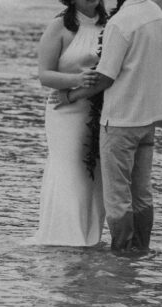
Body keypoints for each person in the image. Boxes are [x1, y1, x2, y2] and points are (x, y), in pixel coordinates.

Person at [53, 0, 162, 252]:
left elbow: (104, 78)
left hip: (120, 119)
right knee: (142, 193)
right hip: (148, 119)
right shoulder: (155, 12)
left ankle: (121, 255)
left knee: (117, 196)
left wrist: (70, 96)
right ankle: (141, 251)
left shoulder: (121, 22)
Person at [30, 0, 108, 247]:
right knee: (69, 171)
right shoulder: (59, 26)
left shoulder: (111, 25)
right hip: (64, 109)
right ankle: (65, 237)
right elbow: (44, 75)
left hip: (99, 109)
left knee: (95, 173)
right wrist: (77, 79)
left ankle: (89, 237)